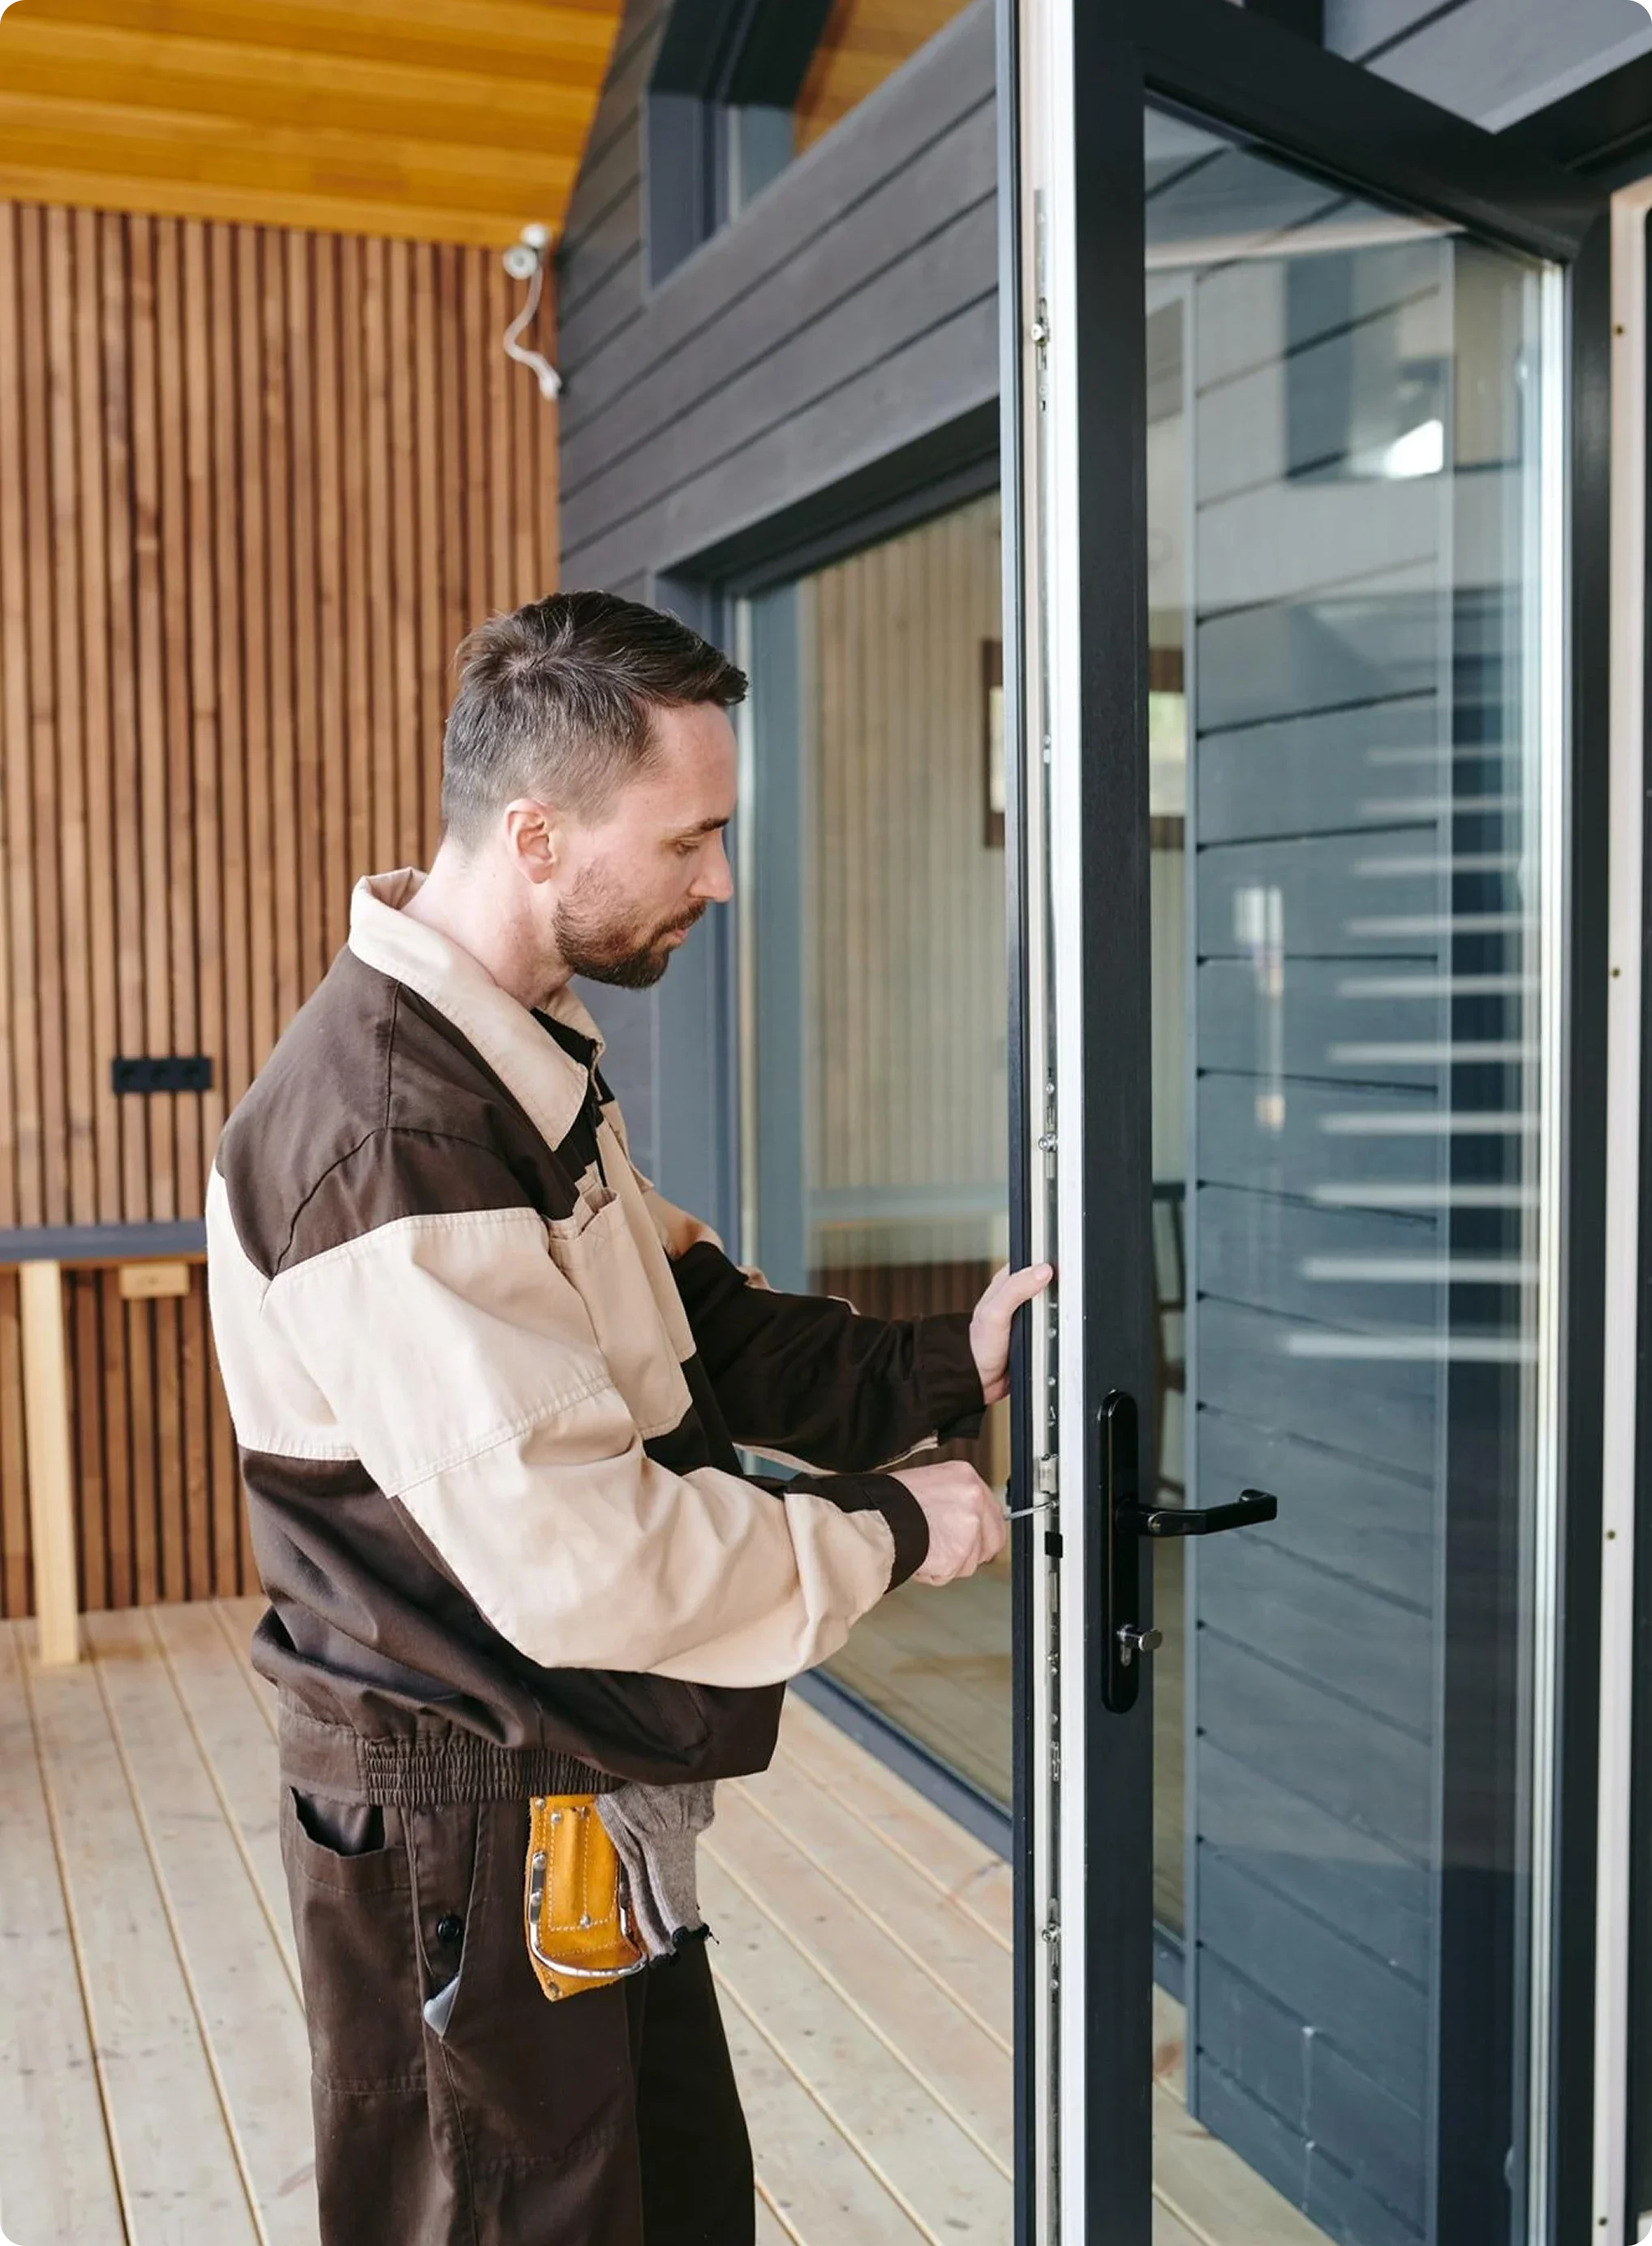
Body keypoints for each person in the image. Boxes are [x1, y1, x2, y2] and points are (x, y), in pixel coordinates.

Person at [204, 589, 1050, 2246]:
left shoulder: (507, 1054)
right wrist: (900, 1522)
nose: (719, 881)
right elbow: (587, 1557)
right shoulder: (394, 1139)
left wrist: (948, 1364)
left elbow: (688, 1332)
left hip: (557, 1782)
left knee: (665, 2207)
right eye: (690, 840)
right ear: (535, 835)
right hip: (466, 1823)